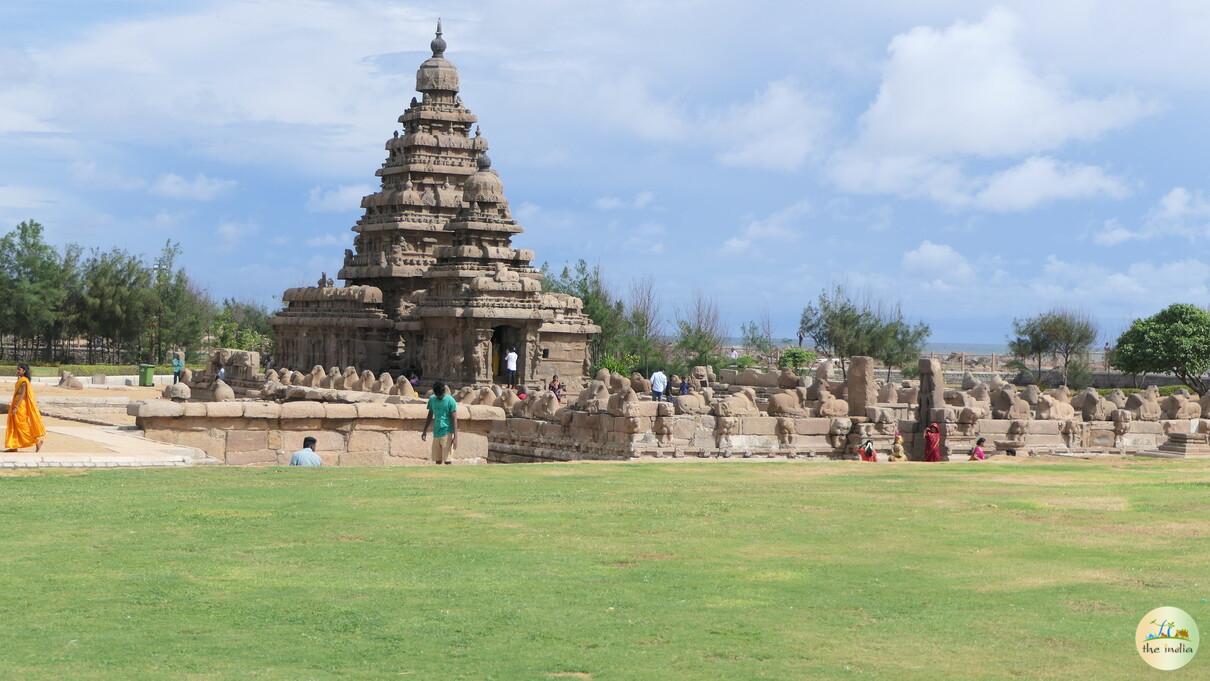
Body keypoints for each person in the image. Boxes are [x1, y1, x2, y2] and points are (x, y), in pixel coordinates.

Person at [5, 364, 46, 453]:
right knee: (14, 425)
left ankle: (37, 441)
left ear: (24, 371)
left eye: (19, 370)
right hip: (15, 404)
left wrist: (16, 406)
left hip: (20, 406)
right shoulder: (20, 380)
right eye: (17, 369)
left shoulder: (24, 381)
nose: (17, 371)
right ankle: (14, 446)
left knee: (22, 426)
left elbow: (22, 395)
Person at [422, 381, 458, 465]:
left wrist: (456, 437)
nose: (439, 397)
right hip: (436, 432)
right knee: (437, 459)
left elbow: (454, 419)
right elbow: (430, 415)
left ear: (444, 392)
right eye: (437, 395)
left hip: (447, 432)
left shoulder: (451, 400)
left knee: (447, 460)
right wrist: (424, 431)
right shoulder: (432, 399)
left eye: (441, 395)